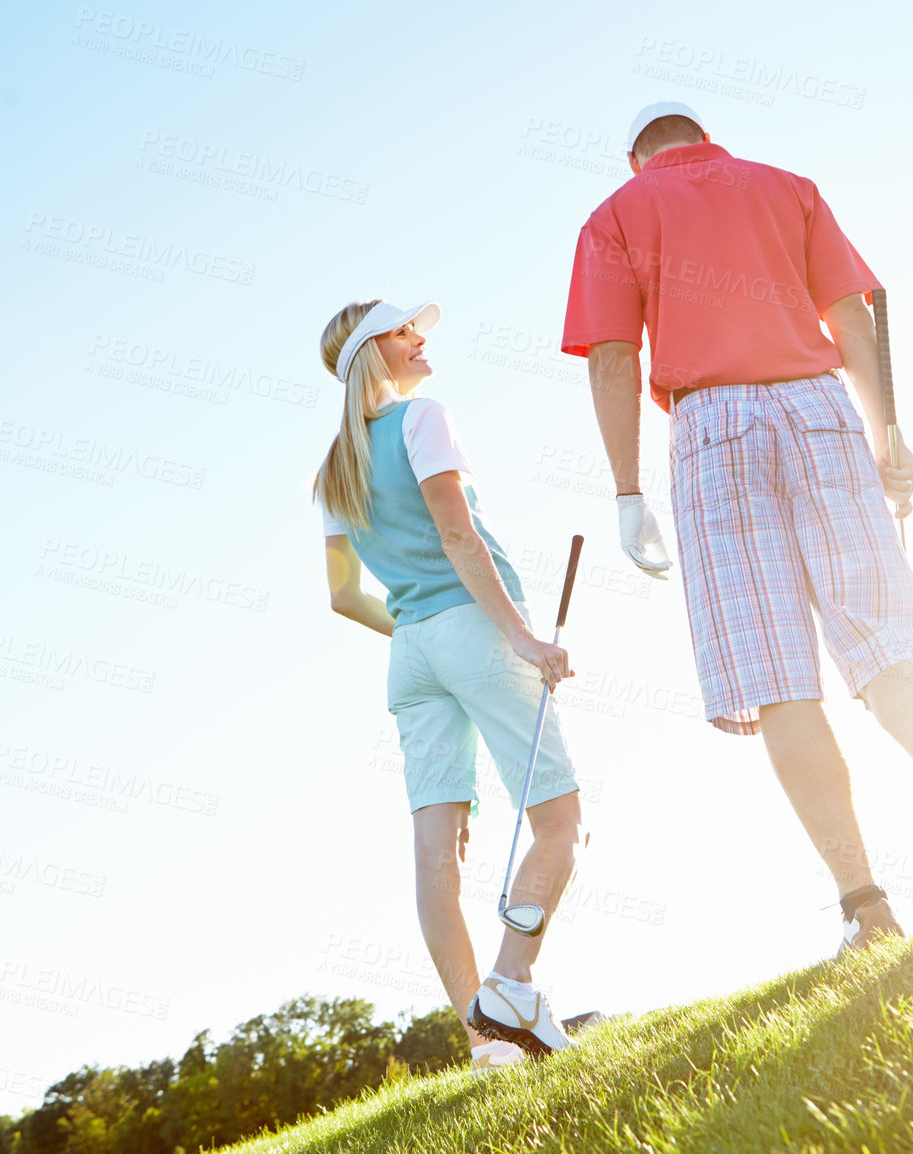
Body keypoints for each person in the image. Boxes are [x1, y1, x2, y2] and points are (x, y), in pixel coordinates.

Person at [559, 102, 913, 954]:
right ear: (704, 135)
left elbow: (615, 355)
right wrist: (888, 437)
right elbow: (852, 319)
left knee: (776, 676)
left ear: (635, 156)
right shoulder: (786, 187)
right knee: (883, 629)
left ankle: (867, 907)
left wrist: (627, 491)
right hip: (817, 406)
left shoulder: (615, 215)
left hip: (711, 427)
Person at [314, 298, 584, 1066]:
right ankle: (510, 981)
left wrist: (424, 635)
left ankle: (484, 1043)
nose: (420, 338)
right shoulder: (423, 417)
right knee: (561, 822)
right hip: (475, 626)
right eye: (405, 332)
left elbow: (342, 596)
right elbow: (457, 533)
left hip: (412, 654)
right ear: (377, 352)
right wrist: (519, 636)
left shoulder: (333, 469)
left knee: (436, 855)